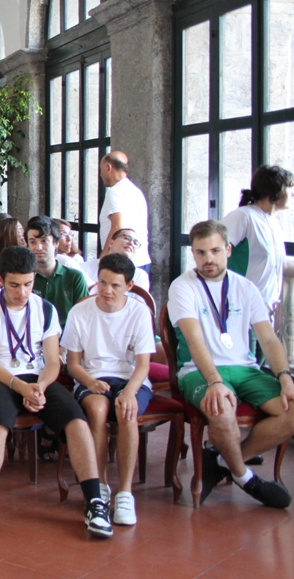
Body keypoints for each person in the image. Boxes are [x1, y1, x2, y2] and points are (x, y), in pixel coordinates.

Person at [0, 246, 111, 541]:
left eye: (28, 284)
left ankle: (95, 501)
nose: (22, 292)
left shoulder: (45, 309)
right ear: (1, 279)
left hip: (38, 379)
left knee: (75, 419)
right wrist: (21, 387)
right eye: (14, 285)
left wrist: (40, 386)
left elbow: (53, 361)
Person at [167, 220, 294, 508]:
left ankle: (224, 459)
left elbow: (270, 340)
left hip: (246, 369)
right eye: (200, 252)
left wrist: (285, 376)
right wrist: (214, 381)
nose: (207, 259)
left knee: (292, 408)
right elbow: (194, 340)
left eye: (214, 250)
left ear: (228, 249)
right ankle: (246, 477)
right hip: (198, 371)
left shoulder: (246, 288)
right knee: (221, 408)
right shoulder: (182, 287)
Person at [64, 254, 155, 525]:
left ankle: (125, 492)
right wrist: (89, 382)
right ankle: (99, 484)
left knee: (127, 410)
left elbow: (143, 365)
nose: (106, 290)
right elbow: (73, 363)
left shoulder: (138, 312)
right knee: (97, 408)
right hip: (92, 377)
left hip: (130, 378)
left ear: (128, 285)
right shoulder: (80, 311)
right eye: (102, 282)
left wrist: (128, 392)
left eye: (115, 285)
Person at [222, 165, 294, 313]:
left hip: (267, 311)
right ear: (277, 191)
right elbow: (213, 253)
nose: (292, 194)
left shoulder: (273, 223)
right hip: (241, 309)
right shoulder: (243, 217)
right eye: (289, 188)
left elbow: (278, 264)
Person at [26, 216, 88, 328]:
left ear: (56, 243)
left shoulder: (74, 277)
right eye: (33, 242)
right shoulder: (23, 278)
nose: (38, 247)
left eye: (44, 241)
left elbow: (84, 318)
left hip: (67, 340)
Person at [99, 151, 151, 277]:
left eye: (101, 170)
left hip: (122, 262)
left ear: (108, 168)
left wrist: (104, 255)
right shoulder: (135, 191)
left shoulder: (114, 192)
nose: (101, 175)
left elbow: (118, 226)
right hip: (141, 259)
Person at [78, 228, 150, 293]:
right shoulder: (82, 268)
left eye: (135, 243)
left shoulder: (140, 276)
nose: (131, 243)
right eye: (127, 238)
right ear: (111, 242)